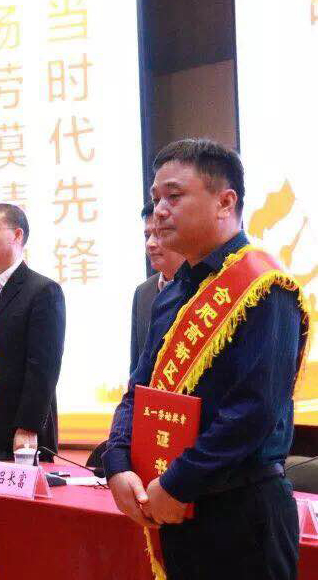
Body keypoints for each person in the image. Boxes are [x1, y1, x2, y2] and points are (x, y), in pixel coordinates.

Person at [103, 139, 308, 579]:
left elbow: (254, 411)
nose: (159, 211)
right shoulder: (170, 293)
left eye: (174, 196)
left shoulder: (265, 287)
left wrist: (178, 483)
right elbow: (139, 391)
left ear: (225, 202)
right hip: (174, 508)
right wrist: (117, 463)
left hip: (241, 514)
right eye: (156, 198)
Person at [0, 203, 65, 462]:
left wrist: (28, 426)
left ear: (17, 235)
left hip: (19, 429)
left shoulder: (43, 290)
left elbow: (44, 366)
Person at [130, 201, 185, 367]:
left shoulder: (206, 285)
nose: (150, 244)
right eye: (147, 236)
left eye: (159, 234)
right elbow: (136, 366)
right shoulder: (143, 293)